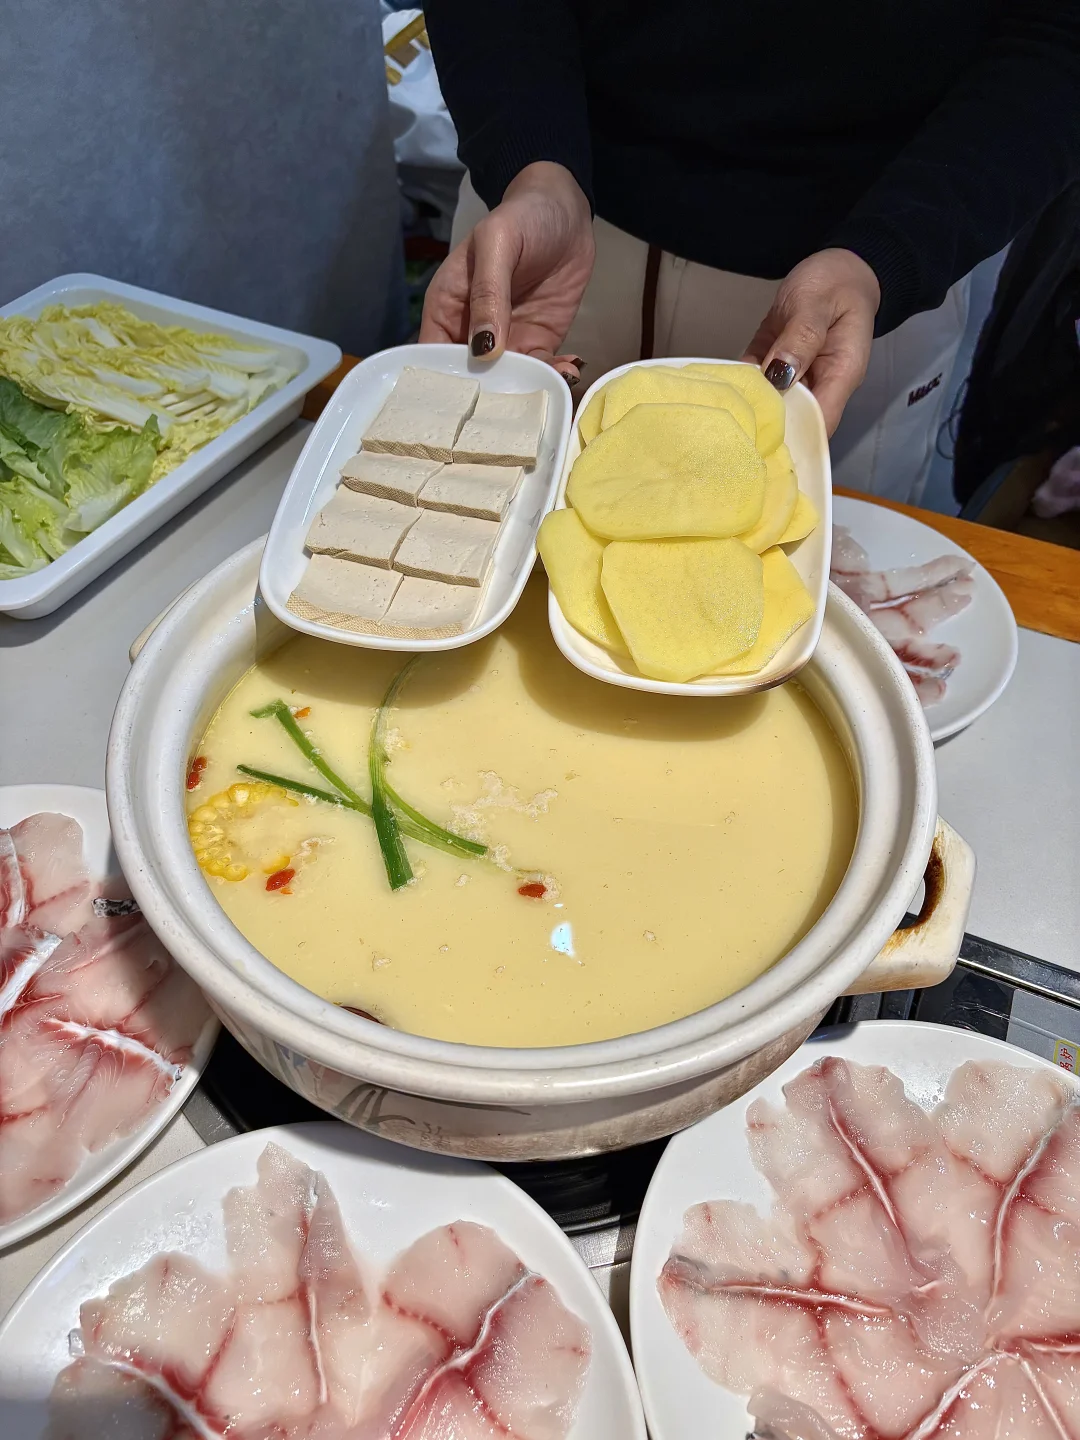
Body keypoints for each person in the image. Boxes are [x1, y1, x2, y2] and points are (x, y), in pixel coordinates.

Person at [418, 2, 1080, 503]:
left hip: (864, 275)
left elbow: (1059, 33)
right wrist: (531, 162)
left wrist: (894, 252)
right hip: (548, 225)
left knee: (798, 604)